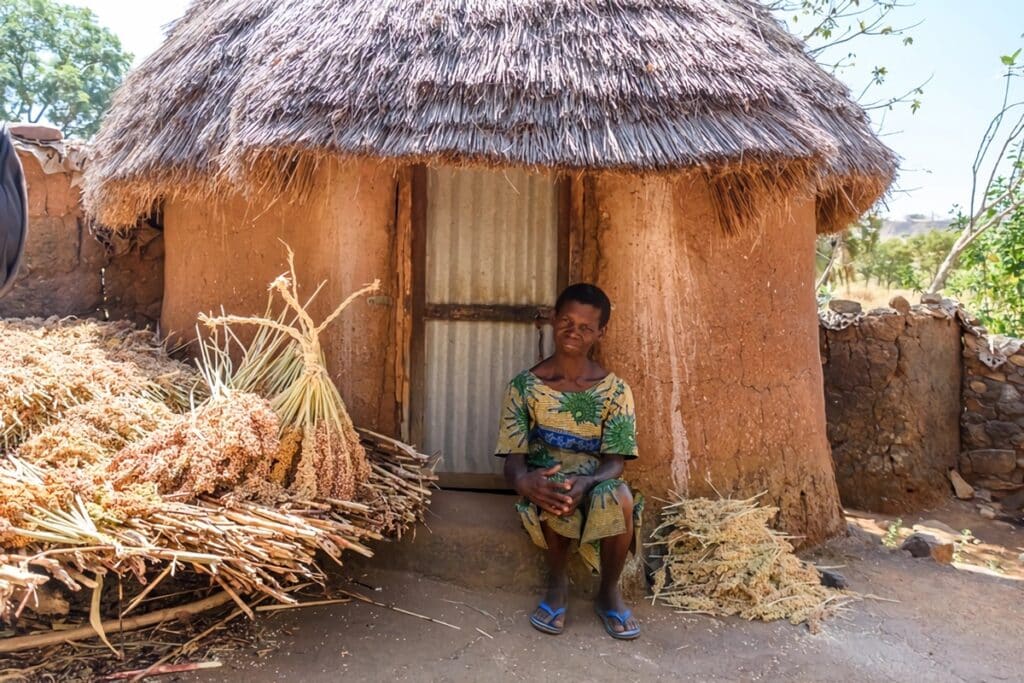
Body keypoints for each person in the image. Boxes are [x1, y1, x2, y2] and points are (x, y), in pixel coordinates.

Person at [495, 283, 643, 640]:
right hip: (550, 483)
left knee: (619, 495)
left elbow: (615, 462)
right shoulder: (525, 387)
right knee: (556, 490)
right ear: (553, 319)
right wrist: (525, 482)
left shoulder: (615, 390)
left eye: (585, 327)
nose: (572, 332)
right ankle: (557, 585)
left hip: (595, 483)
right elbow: (513, 462)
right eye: (566, 321)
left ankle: (608, 593)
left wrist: (589, 482)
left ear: (600, 333)